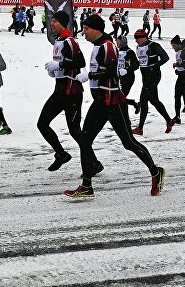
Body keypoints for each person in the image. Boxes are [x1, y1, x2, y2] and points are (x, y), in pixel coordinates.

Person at [64, 13, 165, 199]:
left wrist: (90, 76)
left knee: (128, 143)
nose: (83, 32)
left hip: (113, 101)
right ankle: (87, 186)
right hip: (100, 101)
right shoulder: (97, 46)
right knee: (85, 141)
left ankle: (155, 172)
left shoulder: (108, 46)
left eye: (86, 29)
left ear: (96, 29)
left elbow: (111, 71)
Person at [38, 11, 85, 171]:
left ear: (63, 23)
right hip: (59, 90)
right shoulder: (58, 41)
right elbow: (63, 62)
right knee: (42, 124)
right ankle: (61, 154)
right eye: (51, 22)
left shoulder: (70, 41)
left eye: (55, 22)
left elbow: (80, 61)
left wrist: (59, 65)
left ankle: (93, 163)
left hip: (72, 92)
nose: (52, 24)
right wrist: (55, 71)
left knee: (75, 132)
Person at [133, 29, 174, 135]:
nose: (136, 40)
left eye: (138, 38)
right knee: (154, 100)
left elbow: (165, 57)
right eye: (135, 38)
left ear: (144, 37)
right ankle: (169, 121)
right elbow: (141, 62)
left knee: (144, 100)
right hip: (145, 77)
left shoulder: (153, 45)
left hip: (154, 76)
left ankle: (140, 128)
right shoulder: (138, 47)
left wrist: (154, 66)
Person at [116, 35, 139, 112]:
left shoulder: (129, 52)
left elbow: (136, 65)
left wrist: (126, 70)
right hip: (119, 78)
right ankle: (133, 103)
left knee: (121, 98)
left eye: (118, 41)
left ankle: (125, 119)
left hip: (128, 78)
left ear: (122, 42)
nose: (116, 43)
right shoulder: (117, 51)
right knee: (119, 97)